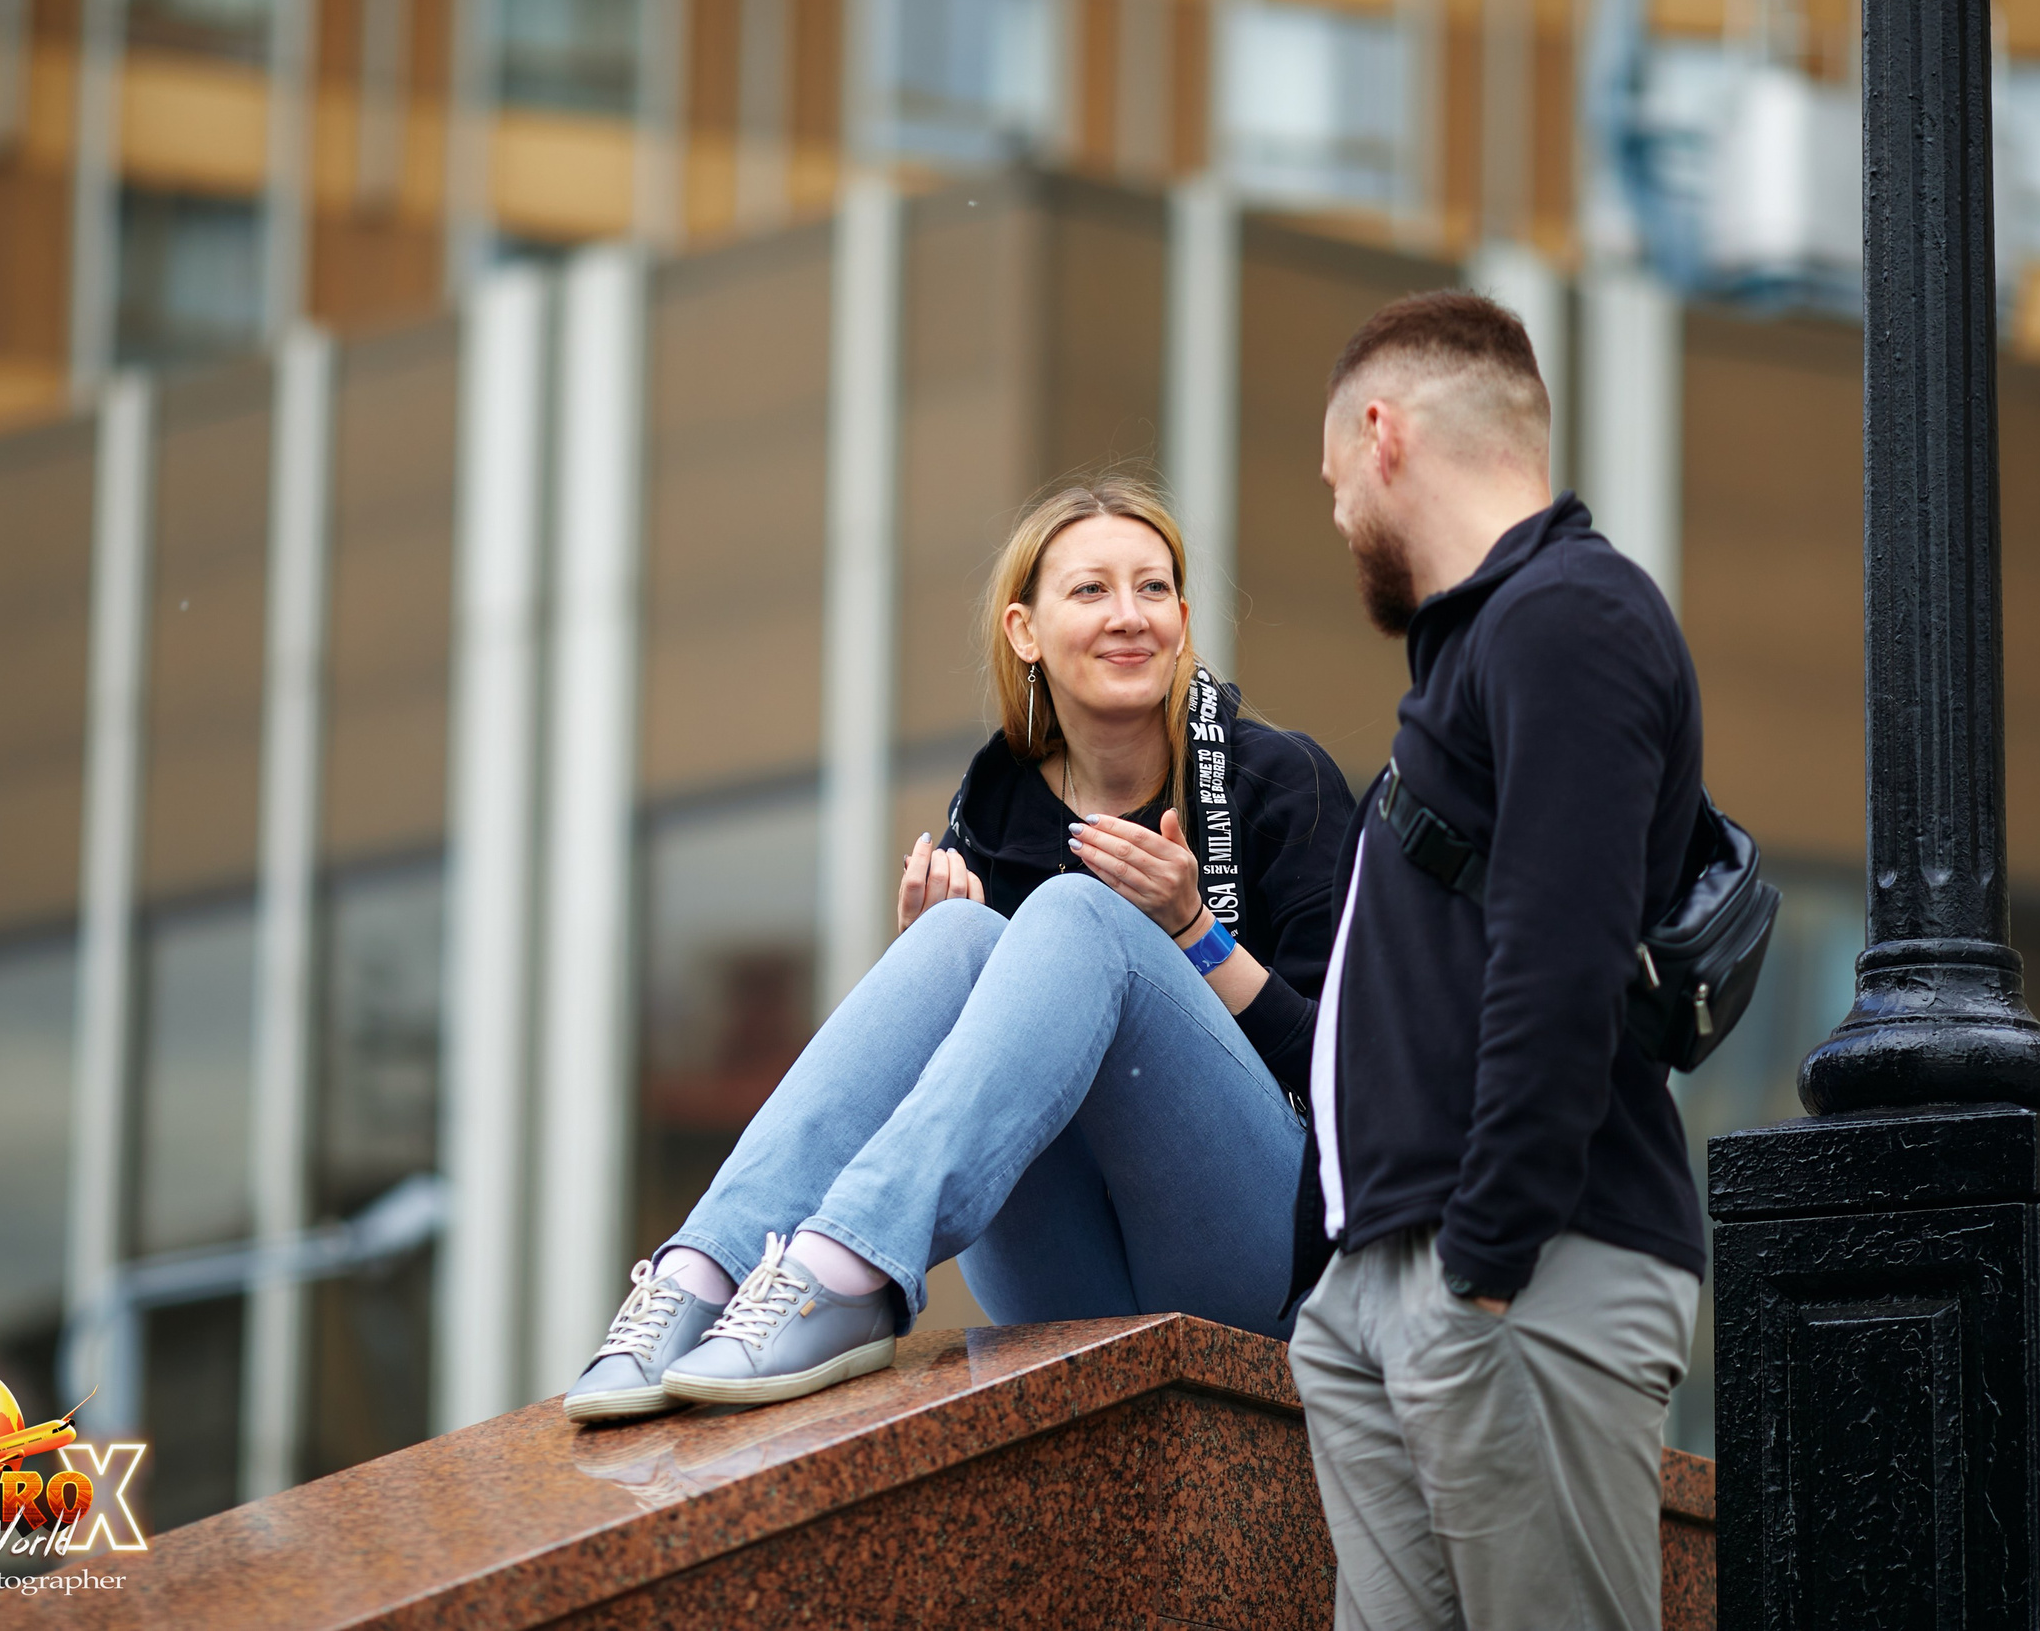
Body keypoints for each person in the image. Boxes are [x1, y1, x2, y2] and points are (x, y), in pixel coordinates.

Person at [564, 476, 1356, 1422]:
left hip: (1263, 1253)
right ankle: (701, 1272)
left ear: (1183, 623)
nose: (1129, 615)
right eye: (1091, 589)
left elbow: (1353, 1080)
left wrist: (1195, 934)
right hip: (1072, 1276)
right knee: (953, 936)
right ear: (1025, 631)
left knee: (1078, 911)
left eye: (1153, 589)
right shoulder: (995, 809)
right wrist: (937, 978)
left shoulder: (1280, 781)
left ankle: (844, 1272)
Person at [1286, 291, 1706, 1631]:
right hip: (1401, 1278)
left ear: (1382, 433)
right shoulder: (1494, 639)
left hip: (1525, 1267)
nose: (1338, 512)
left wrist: (1479, 1265)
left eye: (1335, 479)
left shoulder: (1567, 616)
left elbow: (1560, 956)